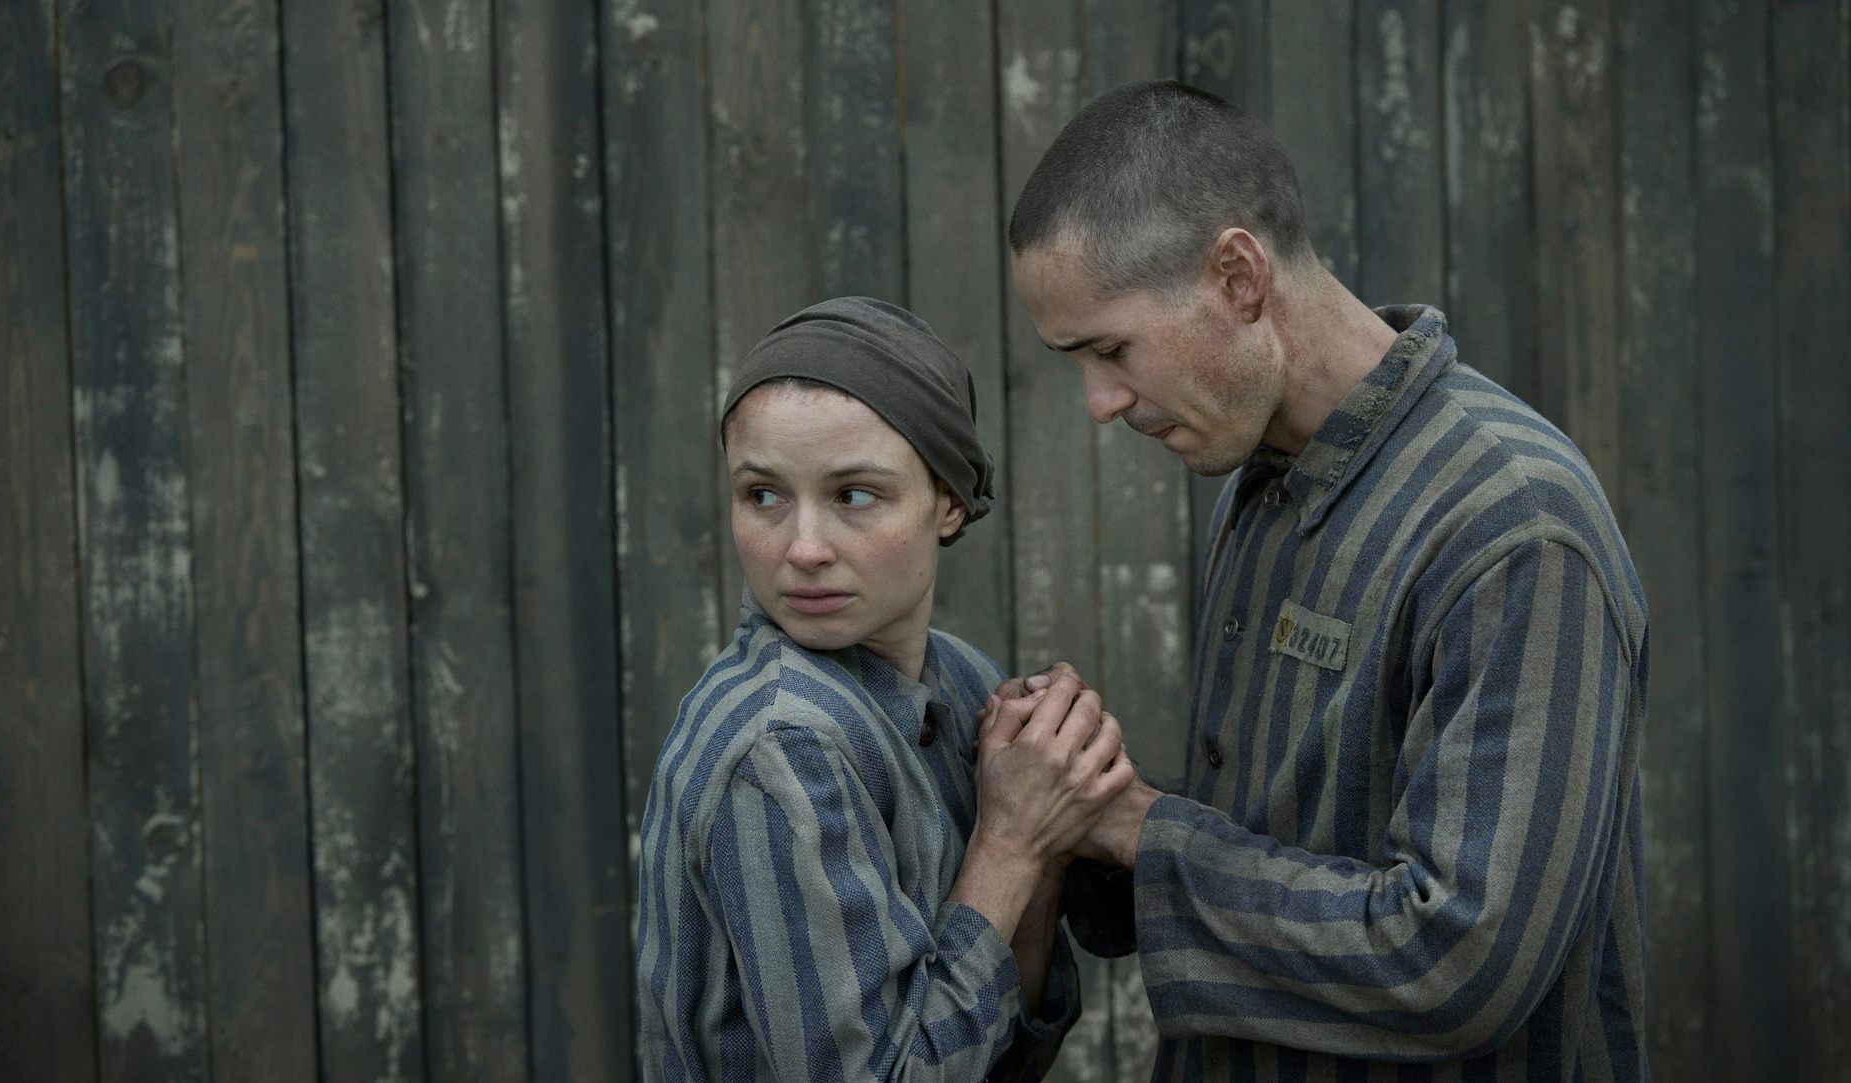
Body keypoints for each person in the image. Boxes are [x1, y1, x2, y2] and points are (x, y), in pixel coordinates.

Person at [993, 80, 1651, 1080]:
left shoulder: (1515, 522)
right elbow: (1294, 854)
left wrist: (1145, 832)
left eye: (1111, 349)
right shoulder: (1262, 483)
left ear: (1240, 276)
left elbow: (1460, 961)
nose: (1098, 402)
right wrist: (1086, 809)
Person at [635, 296, 1136, 1081]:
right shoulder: (780, 745)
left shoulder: (961, 680)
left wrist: (1046, 859)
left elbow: (1007, 1055)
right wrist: (1009, 847)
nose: (802, 548)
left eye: (853, 495)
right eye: (762, 495)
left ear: (948, 500)